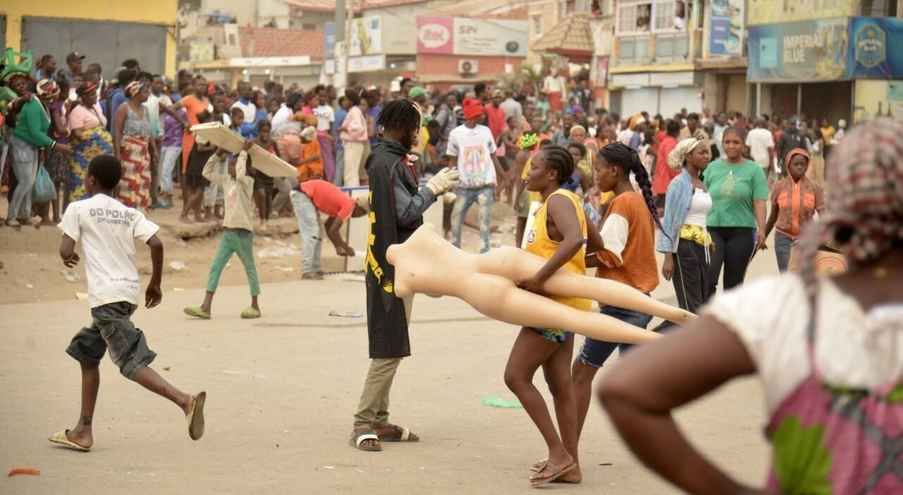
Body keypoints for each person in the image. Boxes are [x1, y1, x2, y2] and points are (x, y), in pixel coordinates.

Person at [598, 118, 903, 495]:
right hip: (704, 243)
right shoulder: (696, 181)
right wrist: (671, 251)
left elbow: (626, 389)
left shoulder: (784, 307)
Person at [50, 155, 207, 452]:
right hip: (126, 295)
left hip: (105, 299)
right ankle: (83, 430)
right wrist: (155, 283)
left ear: (91, 180)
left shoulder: (78, 208)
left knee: (129, 362)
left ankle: (185, 400)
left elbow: (66, 248)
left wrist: (66, 255)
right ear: (117, 183)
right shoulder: (128, 213)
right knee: (87, 353)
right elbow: (157, 243)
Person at [351, 99, 461, 452]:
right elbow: (406, 211)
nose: (419, 133)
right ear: (405, 127)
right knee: (388, 346)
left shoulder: (386, 159)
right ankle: (363, 422)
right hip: (391, 267)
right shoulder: (388, 163)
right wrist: (433, 189)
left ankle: (380, 419)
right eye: (416, 127)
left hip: (394, 261)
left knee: (394, 344)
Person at [506, 145, 597, 486]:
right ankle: (571, 465)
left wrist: (541, 277)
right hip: (567, 305)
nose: (529, 173)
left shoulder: (557, 201)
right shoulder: (567, 201)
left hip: (551, 306)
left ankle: (558, 453)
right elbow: (595, 243)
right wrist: (572, 274)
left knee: (515, 376)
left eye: (535, 167)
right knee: (560, 386)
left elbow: (575, 239)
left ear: (553, 174)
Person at [570, 142, 664, 446]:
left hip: (621, 302)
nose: (595, 175)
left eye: (598, 169)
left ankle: (568, 451)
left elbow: (609, 254)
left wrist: (569, 261)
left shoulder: (623, 203)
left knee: (581, 374)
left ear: (615, 170)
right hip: (638, 298)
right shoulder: (636, 201)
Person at [184, 142, 261, 320]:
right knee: (216, 268)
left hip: (243, 232)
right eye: (231, 164)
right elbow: (207, 173)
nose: (232, 167)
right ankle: (206, 306)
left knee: (250, 268)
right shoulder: (227, 181)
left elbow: (241, 173)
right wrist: (217, 155)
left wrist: (243, 153)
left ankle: (255, 305)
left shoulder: (247, 182)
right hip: (228, 232)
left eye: (235, 164)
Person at [705, 127, 769, 293]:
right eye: (727, 142)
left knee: (733, 284)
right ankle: (707, 314)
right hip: (712, 230)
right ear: (722, 144)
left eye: (736, 142)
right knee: (708, 276)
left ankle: (728, 317)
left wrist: (762, 229)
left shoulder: (754, 170)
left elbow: (760, 201)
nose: (731, 146)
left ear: (744, 145)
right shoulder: (711, 168)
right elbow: (700, 197)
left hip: (742, 231)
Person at [7, 73, 72, 228]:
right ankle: (12, 216)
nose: (55, 99)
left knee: (29, 182)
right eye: (53, 96)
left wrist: (43, 148)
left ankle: (25, 214)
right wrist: (57, 146)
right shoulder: (34, 107)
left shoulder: (42, 105)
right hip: (21, 145)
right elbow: (35, 132)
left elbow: (38, 134)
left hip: (31, 146)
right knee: (25, 182)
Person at [657, 138, 713, 313]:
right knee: (691, 306)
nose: (707, 156)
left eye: (707, 152)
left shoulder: (702, 182)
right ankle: (657, 339)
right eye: (701, 153)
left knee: (704, 301)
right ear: (688, 156)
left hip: (702, 247)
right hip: (684, 247)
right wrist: (668, 257)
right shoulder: (679, 184)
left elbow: (700, 216)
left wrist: (708, 239)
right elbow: (669, 221)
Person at [447, 98, 502, 253]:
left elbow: (493, 155)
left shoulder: (485, 131)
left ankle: (485, 250)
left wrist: (501, 176)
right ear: (472, 116)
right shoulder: (455, 134)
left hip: (485, 184)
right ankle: (455, 249)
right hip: (464, 186)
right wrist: (451, 181)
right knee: (456, 217)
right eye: (480, 114)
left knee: (484, 219)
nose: (483, 116)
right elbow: (452, 159)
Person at [290, 179, 369, 279]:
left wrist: (338, 246)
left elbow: (328, 227)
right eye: (363, 214)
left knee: (318, 234)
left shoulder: (345, 203)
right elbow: (333, 230)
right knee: (312, 233)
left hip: (306, 194)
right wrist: (346, 247)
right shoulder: (348, 206)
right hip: (302, 194)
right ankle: (307, 271)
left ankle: (315, 269)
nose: (359, 216)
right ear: (359, 209)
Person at [762, 148, 825, 272]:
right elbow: (773, 216)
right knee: (787, 276)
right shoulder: (779, 187)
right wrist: (763, 235)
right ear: (788, 166)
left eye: (803, 164)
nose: (800, 167)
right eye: (796, 164)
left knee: (805, 276)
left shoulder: (815, 188)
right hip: (783, 239)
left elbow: (823, 216)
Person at [112, 81, 155, 209]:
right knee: (128, 181)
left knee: (143, 180)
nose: (148, 95)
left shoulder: (145, 110)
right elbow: (117, 132)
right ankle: (126, 209)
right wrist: (118, 153)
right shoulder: (124, 108)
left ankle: (140, 209)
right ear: (135, 93)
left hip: (143, 151)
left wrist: (154, 149)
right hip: (129, 151)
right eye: (145, 92)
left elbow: (149, 131)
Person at [67, 81, 113, 202]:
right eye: (92, 94)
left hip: (97, 158)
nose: (96, 97)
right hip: (83, 159)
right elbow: (77, 134)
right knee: (81, 186)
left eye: (95, 94)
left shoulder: (95, 109)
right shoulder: (77, 111)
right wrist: (97, 137)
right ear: (83, 97)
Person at [181, 112, 216, 223]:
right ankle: (184, 214)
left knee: (198, 191)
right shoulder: (203, 132)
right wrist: (212, 147)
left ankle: (197, 215)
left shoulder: (202, 130)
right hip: (200, 165)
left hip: (199, 164)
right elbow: (200, 148)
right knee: (199, 191)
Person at [158, 100, 186, 208]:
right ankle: (165, 196)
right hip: (164, 142)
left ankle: (168, 196)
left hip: (176, 143)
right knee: (161, 170)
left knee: (166, 169)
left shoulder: (183, 113)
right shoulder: (165, 112)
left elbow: (186, 126)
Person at [339, 89, 368, 187]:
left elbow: (358, 128)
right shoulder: (354, 111)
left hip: (353, 143)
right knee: (351, 171)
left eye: (346, 99)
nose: (344, 102)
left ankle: (352, 196)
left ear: (351, 101)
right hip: (353, 144)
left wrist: (345, 128)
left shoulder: (355, 111)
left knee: (350, 172)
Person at [253, 120, 278, 226]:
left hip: (269, 173)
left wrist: (281, 172)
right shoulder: (254, 143)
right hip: (257, 173)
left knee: (268, 197)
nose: (265, 134)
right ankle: (262, 220)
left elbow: (279, 158)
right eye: (263, 131)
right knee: (261, 195)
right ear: (259, 131)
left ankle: (266, 220)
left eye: (267, 132)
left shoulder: (272, 142)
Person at [651, 119, 680, 209]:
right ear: (678, 132)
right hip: (666, 185)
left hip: (662, 183)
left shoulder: (665, 141)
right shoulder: (671, 143)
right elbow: (671, 164)